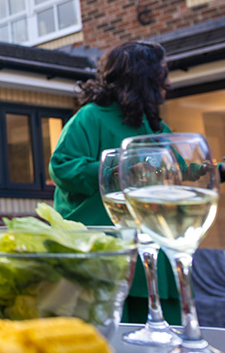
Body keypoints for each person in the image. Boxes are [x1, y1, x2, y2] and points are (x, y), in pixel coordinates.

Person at [48, 41, 181, 324]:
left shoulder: (158, 128)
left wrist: (222, 168)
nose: (168, 81)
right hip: (104, 249)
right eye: (162, 72)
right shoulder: (90, 117)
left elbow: (181, 173)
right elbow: (62, 167)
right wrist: (119, 167)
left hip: (153, 246)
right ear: (142, 75)